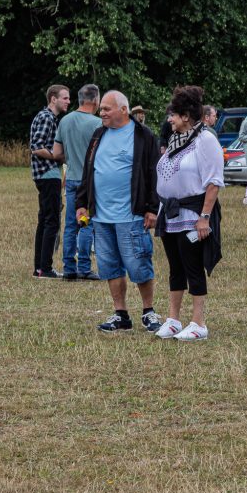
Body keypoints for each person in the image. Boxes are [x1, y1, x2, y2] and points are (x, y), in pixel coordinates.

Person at [75, 91, 162, 333]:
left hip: (132, 216)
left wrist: (152, 209)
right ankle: (120, 314)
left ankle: (148, 312)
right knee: (109, 266)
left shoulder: (143, 136)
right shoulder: (98, 135)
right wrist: (82, 202)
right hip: (101, 217)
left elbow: (153, 174)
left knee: (138, 266)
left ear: (123, 110)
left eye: (106, 109)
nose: (101, 112)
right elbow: (88, 171)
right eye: (101, 109)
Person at [154, 86, 224, 341]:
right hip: (170, 212)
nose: (169, 119)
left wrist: (204, 217)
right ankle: (173, 319)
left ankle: (199, 322)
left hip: (192, 213)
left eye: (173, 114)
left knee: (192, 266)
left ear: (186, 116)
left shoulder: (205, 140)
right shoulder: (175, 140)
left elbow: (214, 181)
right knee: (175, 267)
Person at [52, 84, 102, 281]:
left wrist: (72, 159)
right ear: (95, 100)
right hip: (90, 182)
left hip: (71, 178)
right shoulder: (97, 124)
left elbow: (56, 153)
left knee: (71, 225)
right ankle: (84, 267)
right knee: (87, 224)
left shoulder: (65, 120)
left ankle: (68, 268)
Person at [30, 85, 71, 278]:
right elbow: (36, 147)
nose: (68, 101)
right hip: (48, 174)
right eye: (65, 98)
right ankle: (45, 268)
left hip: (46, 175)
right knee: (52, 221)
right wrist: (58, 156)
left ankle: (39, 268)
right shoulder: (47, 118)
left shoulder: (50, 118)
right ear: (53, 99)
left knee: (44, 221)